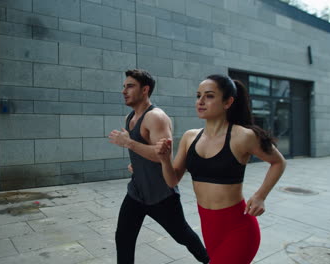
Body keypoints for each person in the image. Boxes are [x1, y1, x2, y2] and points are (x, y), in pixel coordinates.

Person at [155, 74, 287, 264]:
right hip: (209, 227)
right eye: (198, 95)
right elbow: (172, 180)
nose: (200, 101)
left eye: (209, 96)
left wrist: (260, 196)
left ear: (228, 102)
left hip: (239, 229)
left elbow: (279, 162)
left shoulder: (243, 136)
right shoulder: (189, 137)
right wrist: (165, 160)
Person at [108, 69, 210, 264]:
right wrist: (137, 165)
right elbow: (144, 152)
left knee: (183, 236)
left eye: (130, 86)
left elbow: (162, 156)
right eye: (124, 86)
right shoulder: (129, 118)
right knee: (123, 238)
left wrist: (129, 143)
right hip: (136, 192)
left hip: (161, 195)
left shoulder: (156, 117)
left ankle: (209, 261)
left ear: (145, 90)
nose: (124, 90)